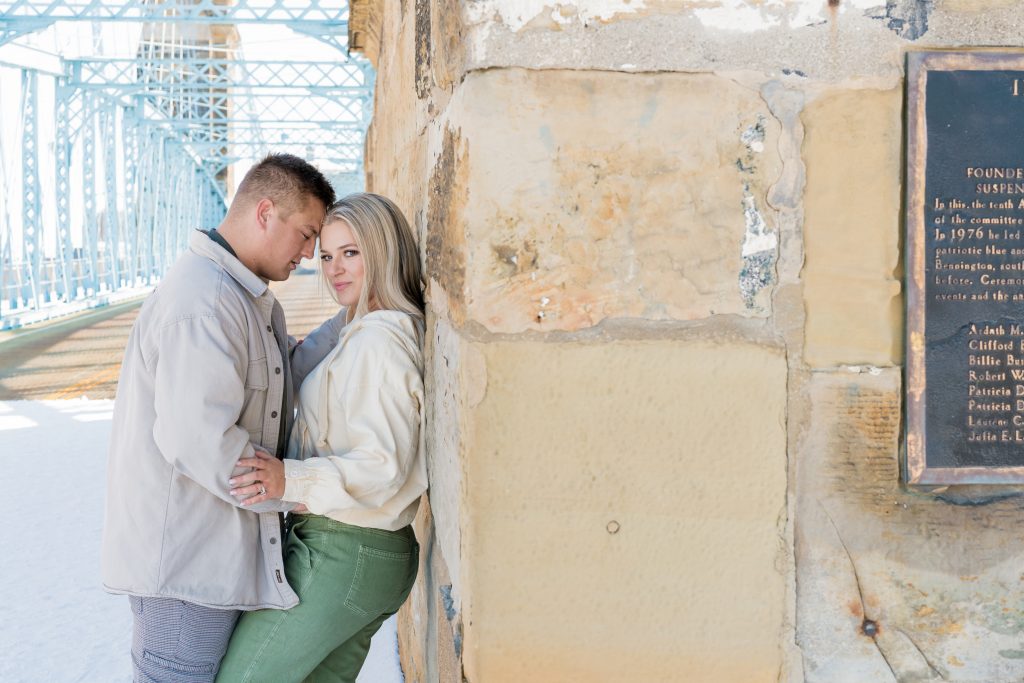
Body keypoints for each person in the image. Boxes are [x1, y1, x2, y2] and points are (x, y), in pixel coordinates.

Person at [101, 153, 338, 683]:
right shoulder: (205, 301)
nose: (309, 253)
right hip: (187, 570)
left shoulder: (241, 297)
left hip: (213, 561)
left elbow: (283, 374)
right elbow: (198, 438)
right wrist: (296, 491)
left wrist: (357, 317)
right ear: (265, 212)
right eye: (306, 234)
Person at [215, 193, 427, 683]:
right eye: (327, 256)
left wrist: (290, 479)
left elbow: (382, 465)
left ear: (383, 250)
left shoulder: (378, 342)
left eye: (351, 252)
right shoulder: (362, 329)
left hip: (346, 549)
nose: (334, 269)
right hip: (362, 550)